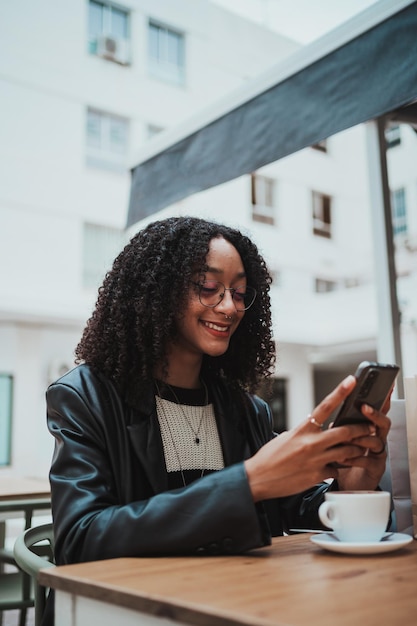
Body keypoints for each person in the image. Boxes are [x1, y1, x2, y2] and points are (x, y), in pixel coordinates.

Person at [44, 216, 391, 621]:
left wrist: (351, 488)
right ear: (157, 292)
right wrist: (248, 482)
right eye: (208, 287)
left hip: (230, 603)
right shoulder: (84, 397)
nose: (230, 306)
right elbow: (80, 539)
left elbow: (294, 510)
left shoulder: (246, 409)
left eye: (241, 292)